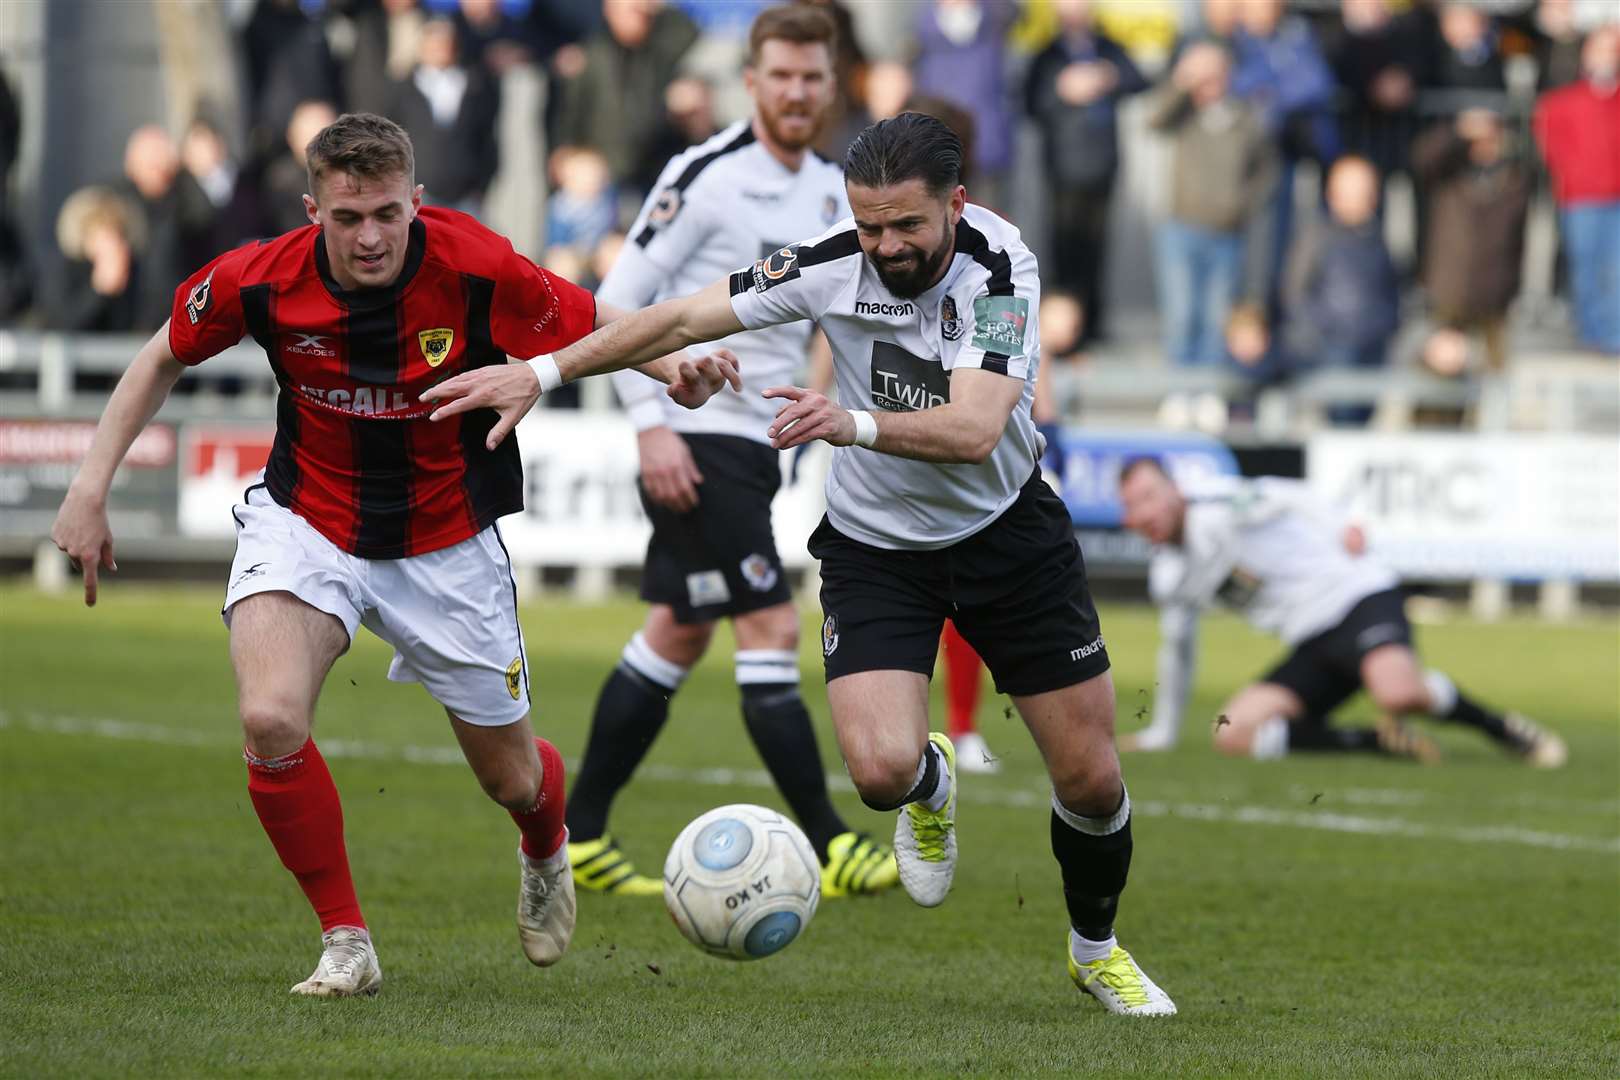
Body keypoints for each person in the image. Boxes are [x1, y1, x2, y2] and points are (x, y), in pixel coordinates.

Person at [424, 111, 1177, 1016]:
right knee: (879, 773)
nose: (887, 246)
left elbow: (979, 430)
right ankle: (930, 782)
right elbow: (673, 315)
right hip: (875, 546)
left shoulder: (1000, 267)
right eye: (869, 226)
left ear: (957, 205)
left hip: (1008, 536)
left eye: (908, 226)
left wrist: (848, 423)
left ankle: (1095, 948)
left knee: (1091, 781)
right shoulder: (825, 259)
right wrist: (540, 375)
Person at [50, 112, 739, 999]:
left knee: (515, 779)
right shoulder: (260, 278)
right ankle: (346, 940)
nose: (369, 236)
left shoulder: (475, 265)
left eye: (386, 214)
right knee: (268, 717)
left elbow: (590, 320)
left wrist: (671, 366)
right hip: (308, 519)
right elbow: (160, 355)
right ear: (312, 212)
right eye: (346, 218)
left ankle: (544, 843)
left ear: (417, 202)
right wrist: (88, 486)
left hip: (445, 543)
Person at [559, 4, 899, 900]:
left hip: (758, 447)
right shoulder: (704, 175)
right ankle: (830, 843)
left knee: (676, 631)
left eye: (811, 78)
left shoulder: (836, 190)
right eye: (780, 76)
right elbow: (615, 302)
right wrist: (650, 423)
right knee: (772, 625)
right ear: (750, 82)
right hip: (699, 436)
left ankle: (578, 835)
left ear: (834, 86)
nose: (796, 92)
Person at [1115, 458, 1566, 768]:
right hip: (1313, 642)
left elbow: (1288, 494)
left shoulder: (1217, 507)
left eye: (1152, 494)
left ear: (1175, 490)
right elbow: (1178, 651)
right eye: (1134, 505)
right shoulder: (1170, 578)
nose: (1147, 510)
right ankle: (1377, 741)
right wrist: (1164, 731)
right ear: (1128, 522)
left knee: (1398, 694)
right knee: (1231, 733)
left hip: (1358, 598)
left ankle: (1503, 729)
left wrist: (1340, 527)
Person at [1146, 41, 1278, 368]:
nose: (1208, 84)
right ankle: (1180, 388)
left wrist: (1241, 206)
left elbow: (1266, 171)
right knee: (1182, 314)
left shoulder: (1245, 117)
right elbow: (1153, 119)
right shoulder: (1184, 112)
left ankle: (1208, 391)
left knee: (1216, 319)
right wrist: (1182, 82)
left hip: (1227, 234)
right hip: (1181, 229)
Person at [1533, 24, 1620, 356]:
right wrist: (1575, 175)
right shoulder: (1563, 102)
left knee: (1616, 269)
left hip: (1616, 198)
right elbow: (1554, 146)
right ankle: (1592, 334)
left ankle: (1614, 337)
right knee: (1585, 268)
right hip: (1581, 199)